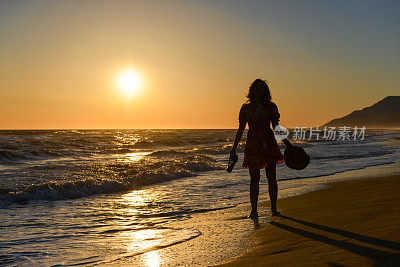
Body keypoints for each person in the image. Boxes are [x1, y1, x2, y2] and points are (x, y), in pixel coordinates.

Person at [230, 79, 289, 219]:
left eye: (261, 86)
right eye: (256, 86)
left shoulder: (271, 107)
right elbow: (241, 129)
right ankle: (254, 210)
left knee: (271, 177)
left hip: (268, 143)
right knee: (254, 178)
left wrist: (287, 143)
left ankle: (274, 209)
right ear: (251, 89)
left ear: (265, 90)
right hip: (252, 144)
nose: (258, 88)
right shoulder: (245, 108)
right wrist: (233, 148)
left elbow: (276, 127)